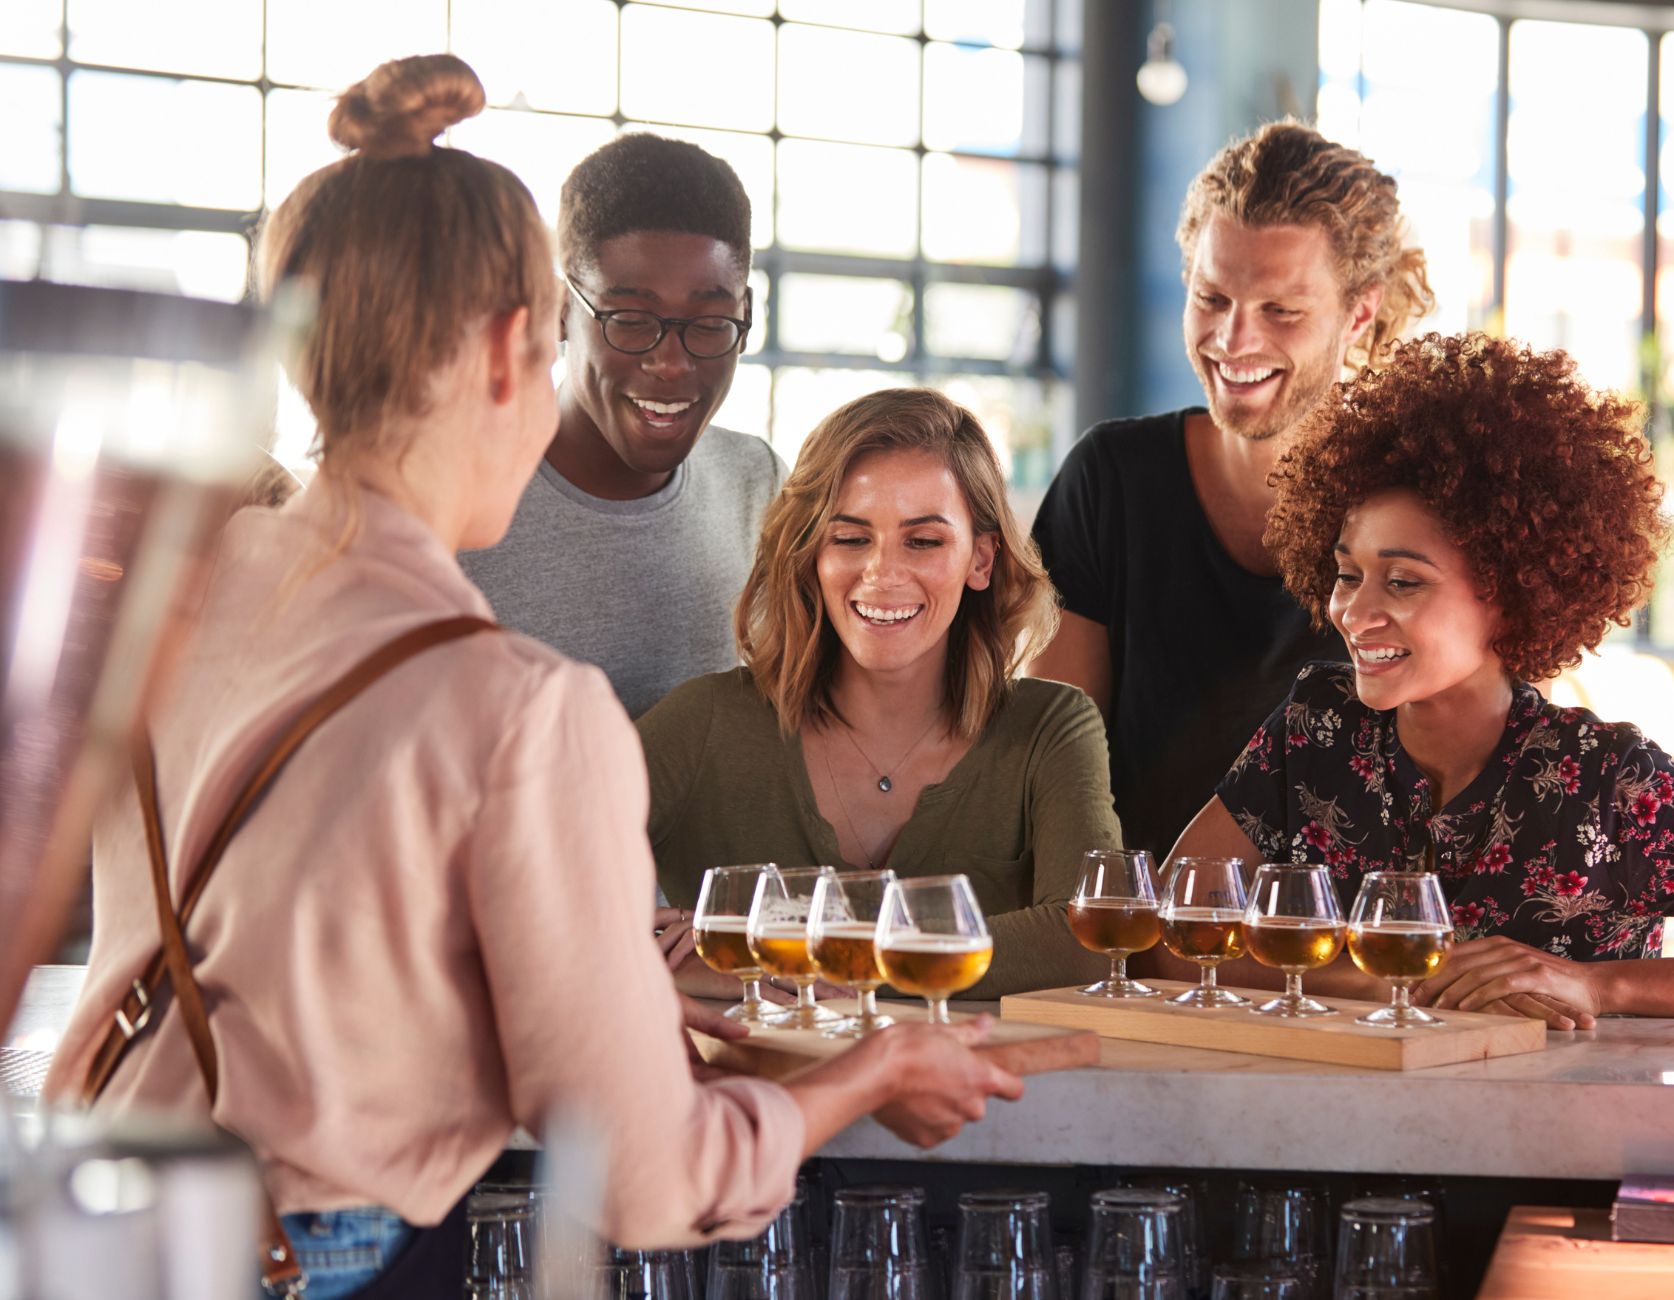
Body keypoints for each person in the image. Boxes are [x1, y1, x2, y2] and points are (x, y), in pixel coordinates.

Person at [44, 57, 1019, 1300]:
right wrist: (870, 1074)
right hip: (319, 1255)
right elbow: (646, 1176)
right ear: (524, 340)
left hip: (88, 1220)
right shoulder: (521, 710)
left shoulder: (183, 583)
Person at [1154, 332, 1674, 1028]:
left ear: (1510, 590)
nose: (1355, 611)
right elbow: (1171, 935)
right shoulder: (1316, 730)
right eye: (1349, 573)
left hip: (1564, 1144)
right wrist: (1408, 980)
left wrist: (1599, 985)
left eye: (1404, 583)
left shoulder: (1608, 782)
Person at [1029, 120, 1433, 858]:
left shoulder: (1427, 507)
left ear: (1359, 314)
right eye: (1212, 298)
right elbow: (1056, 760)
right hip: (1140, 941)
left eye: (1282, 310)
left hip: (1348, 953)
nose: (1234, 341)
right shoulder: (1111, 481)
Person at [638, 388, 1119, 1001]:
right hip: (759, 1093)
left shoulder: (1052, 727)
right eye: (850, 538)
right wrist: (653, 953)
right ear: (810, 552)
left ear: (982, 558)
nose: (883, 574)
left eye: (923, 541)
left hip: (985, 1097)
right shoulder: (703, 721)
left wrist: (786, 956)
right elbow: (523, 877)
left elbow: (1082, 939)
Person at [459, 132, 783, 719]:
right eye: (630, 320)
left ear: (747, 315)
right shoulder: (456, 504)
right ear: (560, 309)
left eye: (710, 323)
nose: (672, 362)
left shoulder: (757, 486)